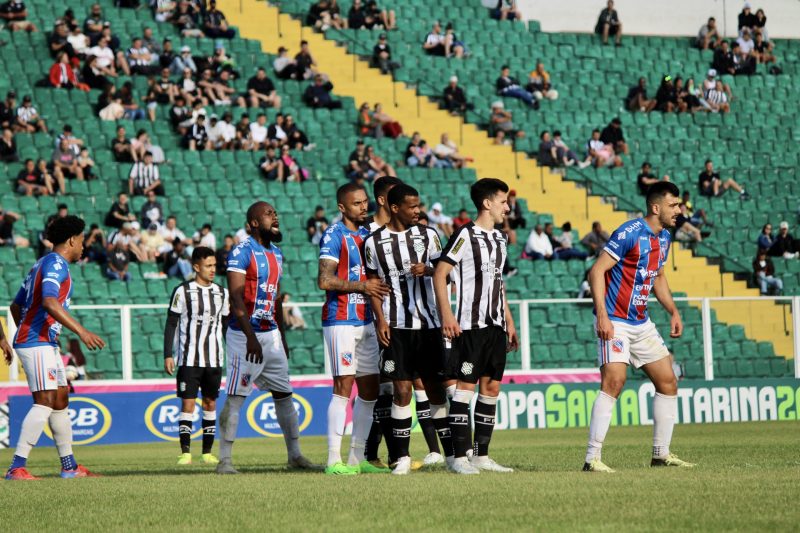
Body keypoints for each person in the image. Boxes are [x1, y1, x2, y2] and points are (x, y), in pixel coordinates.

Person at [583, 182, 695, 473]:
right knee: (614, 382)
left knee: (668, 382)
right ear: (656, 207)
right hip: (615, 319)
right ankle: (592, 459)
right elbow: (597, 270)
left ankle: (661, 454)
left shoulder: (665, 238)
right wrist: (603, 316)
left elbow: (657, 277)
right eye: (674, 205)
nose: (679, 210)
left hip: (641, 322)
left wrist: (673, 310)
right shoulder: (629, 232)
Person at [3, 215, 105, 480]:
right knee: (46, 401)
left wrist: (34, 331)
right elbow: (49, 302)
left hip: (42, 342)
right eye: (82, 241)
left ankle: (69, 466)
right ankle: (16, 467)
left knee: (60, 400)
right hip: (37, 343)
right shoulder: (56, 264)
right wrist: (80, 331)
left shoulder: (41, 264)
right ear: (72, 240)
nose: (83, 246)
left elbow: (16, 307)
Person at [216, 202, 314, 474]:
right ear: (254, 223)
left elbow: (276, 300)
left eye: (275, 212)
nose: (276, 216)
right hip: (243, 335)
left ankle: (295, 456)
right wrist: (250, 338)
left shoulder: (277, 254)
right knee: (236, 397)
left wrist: (282, 337)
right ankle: (224, 461)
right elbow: (235, 297)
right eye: (269, 213)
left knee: (284, 395)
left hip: (270, 334)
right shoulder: (241, 251)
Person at [363, 184, 453, 475]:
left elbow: (445, 276)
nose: (417, 211)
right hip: (396, 326)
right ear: (394, 207)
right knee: (401, 390)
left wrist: (428, 270)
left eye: (418, 205)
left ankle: (452, 456)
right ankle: (401, 457)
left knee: (436, 390)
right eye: (412, 206)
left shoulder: (429, 235)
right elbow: (373, 287)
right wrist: (380, 320)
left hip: (428, 325)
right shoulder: (373, 243)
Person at [434, 178, 518, 474]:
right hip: (470, 325)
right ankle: (458, 459)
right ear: (487, 203)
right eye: (503, 201)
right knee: (465, 388)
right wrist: (447, 315)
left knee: (491, 386)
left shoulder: (500, 239)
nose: (508, 207)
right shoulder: (465, 235)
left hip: (495, 324)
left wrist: (509, 319)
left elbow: (498, 282)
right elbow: (440, 272)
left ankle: (481, 456)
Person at [317, 184, 392, 475]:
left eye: (365, 202)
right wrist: (362, 285)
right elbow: (325, 280)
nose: (363, 207)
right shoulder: (334, 235)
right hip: (341, 321)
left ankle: (357, 457)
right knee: (343, 387)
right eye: (357, 203)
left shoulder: (368, 235)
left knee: (370, 391)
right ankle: (333, 459)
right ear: (342, 207)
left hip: (366, 321)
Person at [164, 246, 230, 465]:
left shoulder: (222, 292)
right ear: (196, 267)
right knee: (188, 405)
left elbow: (226, 326)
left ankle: (207, 452)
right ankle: (185, 452)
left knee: (210, 403)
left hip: (214, 360)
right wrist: (168, 354)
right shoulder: (182, 291)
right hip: (188, 359)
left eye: (214, 265)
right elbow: (171, 323)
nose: (213, 270)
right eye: (208, 266)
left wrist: (232, 350)